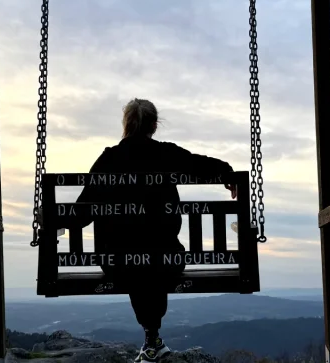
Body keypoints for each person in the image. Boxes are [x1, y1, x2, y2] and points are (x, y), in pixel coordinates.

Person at [70, 98, 236, 363]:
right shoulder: (166, 154)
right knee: (153, 257)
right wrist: (228, 174)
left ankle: (152, 339)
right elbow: (201, 164)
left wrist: (50, 221)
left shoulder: (109, 159)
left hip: (117, 262)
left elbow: (80, 215)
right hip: (164, 260)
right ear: (154, 126)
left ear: (126, 124)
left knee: (135, 258)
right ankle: (152, 338)